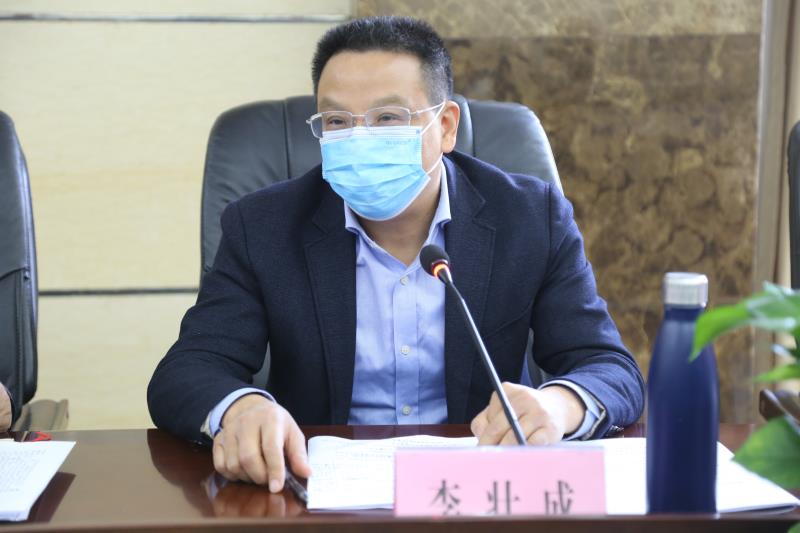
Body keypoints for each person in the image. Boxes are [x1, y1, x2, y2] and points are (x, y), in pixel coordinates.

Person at [148, 16, 644, 494]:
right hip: (314, 495)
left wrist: (559, 406)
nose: (359, 138)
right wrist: (240, 409)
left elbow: (609, 367)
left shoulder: (530, 217)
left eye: (388, 118)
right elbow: (188, 369)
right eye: (337, 121)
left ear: (445, 126)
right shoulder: (262, 226)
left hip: (479, 494)